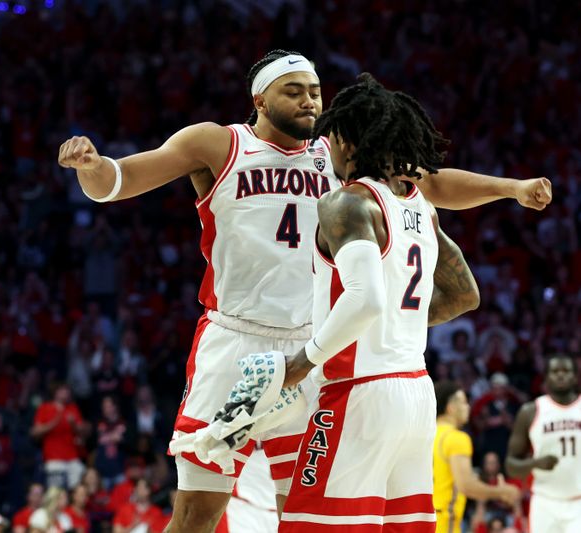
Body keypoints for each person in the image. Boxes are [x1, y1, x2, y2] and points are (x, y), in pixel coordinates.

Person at [59, 49, 551, 533]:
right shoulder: (218, 144)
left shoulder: (339, 156)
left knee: (300, 515)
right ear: (260, 99)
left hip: (311, 354)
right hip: (235, 345)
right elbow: (119, 181)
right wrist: (92, 166)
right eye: (292, 92)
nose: (309, 102)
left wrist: (511, 188)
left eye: (315, 92)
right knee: (196, 514)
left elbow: (431, 183)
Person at [272, 72, 480, 531]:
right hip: (416, 394)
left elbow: (365, 300)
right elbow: (465, 295)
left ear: (346, 140)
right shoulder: (421, 207)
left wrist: (301, 364)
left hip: (358, 395)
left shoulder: (346, 203)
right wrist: (395, 327)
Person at [505, 355, 581, 533]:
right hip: (545, 502)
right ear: (546, 377)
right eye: (555, 371)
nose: (560, 376)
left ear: (575, 377)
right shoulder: (530, 412)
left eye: (566, 371)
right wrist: (535, 463)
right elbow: (511, 465)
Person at [433, 382, 521, 533]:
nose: (468, 407)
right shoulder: (456, 438)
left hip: (423, 519)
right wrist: (502, 491)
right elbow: (466, 485)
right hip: (444, 521)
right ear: (451, 407)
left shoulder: (426, 435)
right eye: (463, 402)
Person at [30, 383, 88, 489]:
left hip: (72, 457)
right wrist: (52, 424)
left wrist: (74, 425)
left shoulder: (73, 408)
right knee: (56, 492)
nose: (66, 393)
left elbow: (83, 432)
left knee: (79, 488)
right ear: (55, 392)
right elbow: (34, 432)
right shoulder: (45, 408)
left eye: (67, 390)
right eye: (63, 390)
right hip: (54, 459)